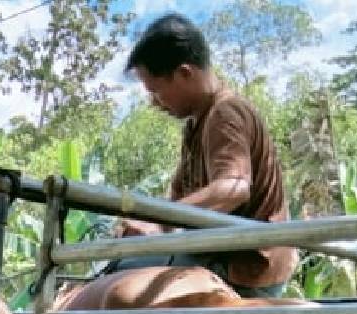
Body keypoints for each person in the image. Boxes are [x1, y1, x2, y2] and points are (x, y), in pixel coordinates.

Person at [112, 12, 299, 298]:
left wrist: (159, 223)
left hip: (245, 267)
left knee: (124, 275)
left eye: (157, 92)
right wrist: (143, 222)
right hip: (217, 255)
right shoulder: (196, 124)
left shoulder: (225, 113)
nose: (155, 103)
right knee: (123, 267)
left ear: (185, 74)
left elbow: (233, 189)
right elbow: (177, 202)